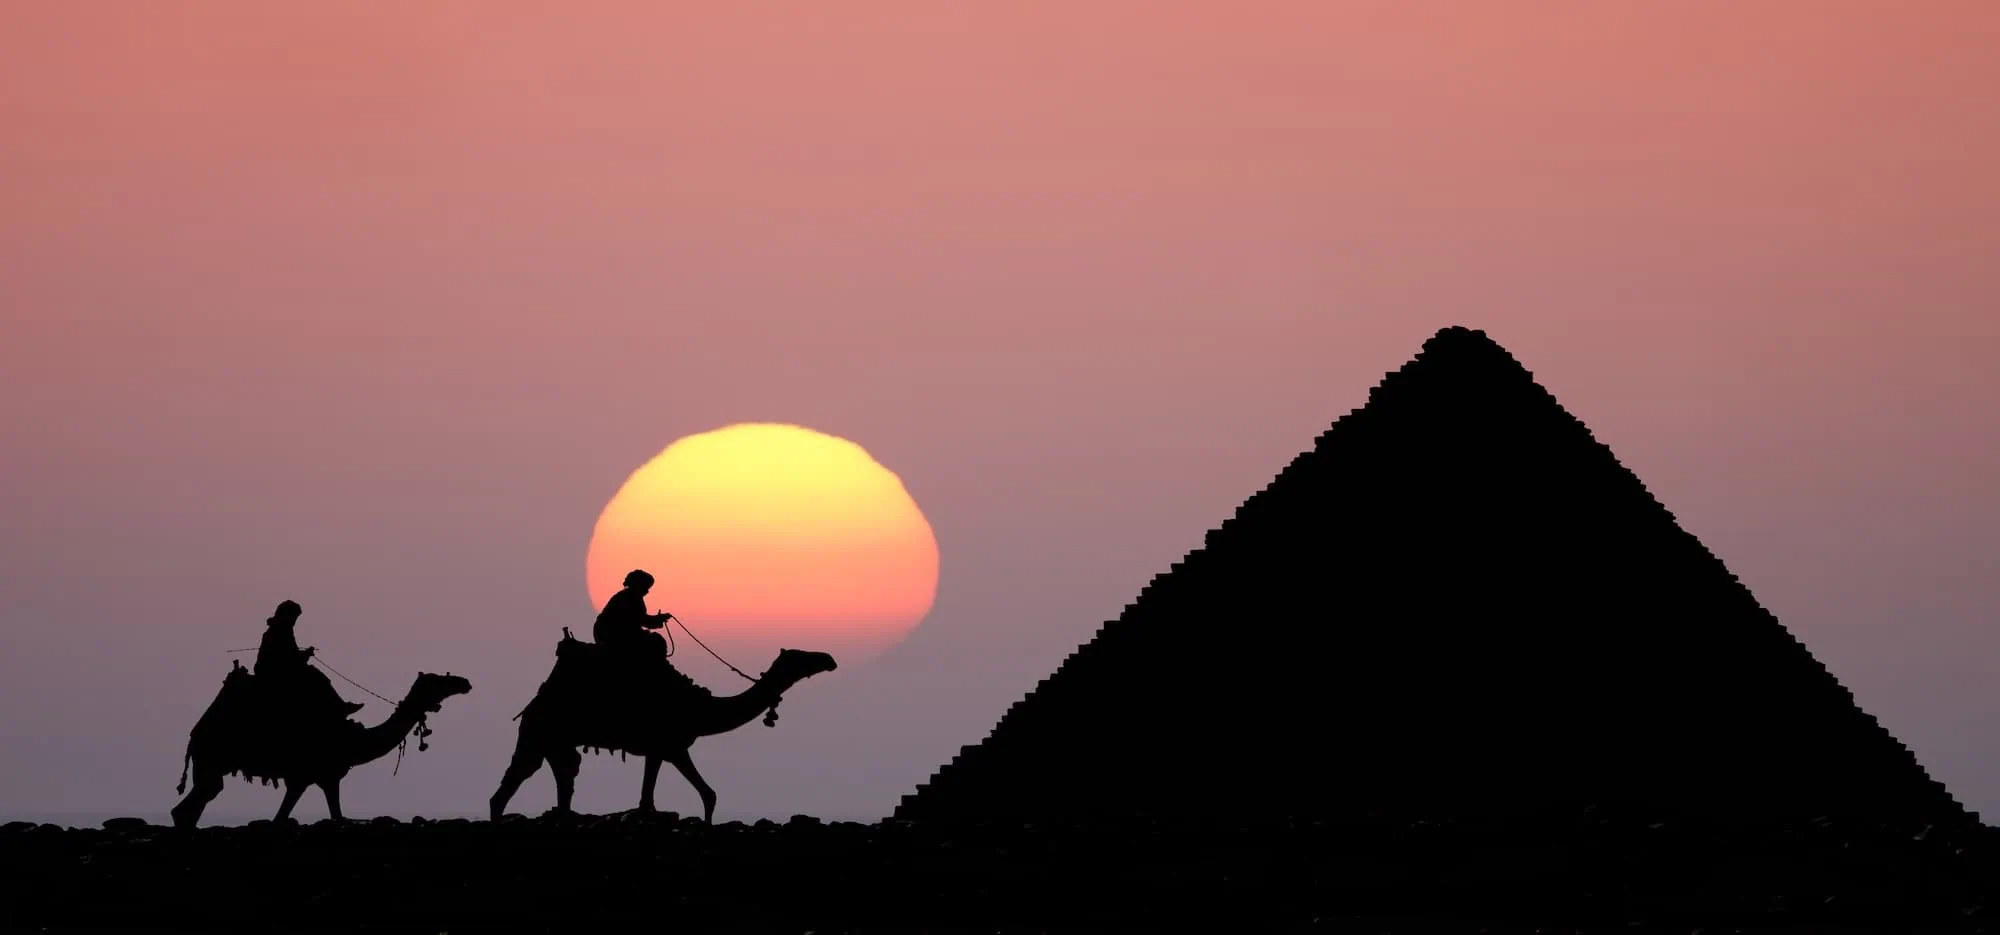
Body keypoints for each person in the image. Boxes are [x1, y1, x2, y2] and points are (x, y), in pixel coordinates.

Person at [255, 600, 365, 720]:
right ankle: (338, 709)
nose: (294, 621)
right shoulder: (280, 631)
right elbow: (287, 660)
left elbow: (291, 656)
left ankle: (337, 708)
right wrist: (305, 655)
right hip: (274, 674)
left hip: (279, 671)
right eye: (293, 617)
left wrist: (303, 655)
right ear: (286, 615)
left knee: (316, 677)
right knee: (316, 678)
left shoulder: (281, 630)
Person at [594, 569, 674, 661]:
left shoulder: (628, 596)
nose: (647, 591)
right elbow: (643, 620)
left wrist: (658, 619)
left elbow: (641, 619)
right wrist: (659, 619)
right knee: (656, 641)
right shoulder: (630, 598)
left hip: (611, 633)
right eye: (646, 587)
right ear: (639, 585)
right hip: (613, 634)